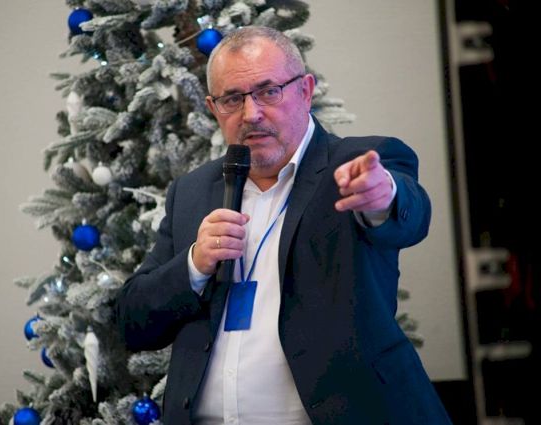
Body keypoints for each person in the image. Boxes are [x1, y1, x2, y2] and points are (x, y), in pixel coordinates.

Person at [116, 26, 451, 424]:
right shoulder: (191, 192)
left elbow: (411, 216)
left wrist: (383, 196)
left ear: (305, 90)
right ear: (213, 108)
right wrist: (193, 265)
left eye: (268, 91)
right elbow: (133, 322)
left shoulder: (357, 164)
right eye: (232, 99)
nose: (251, 114)